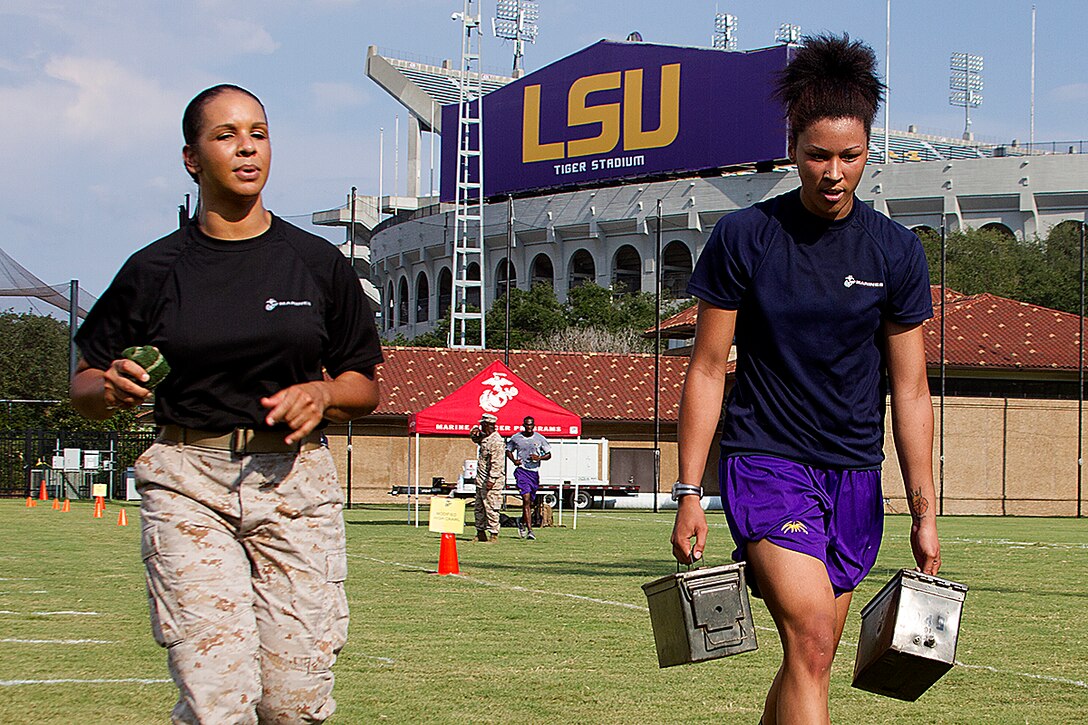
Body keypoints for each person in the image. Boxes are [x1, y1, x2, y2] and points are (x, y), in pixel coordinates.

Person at [70, 84, 383, 724]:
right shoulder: (154, 269)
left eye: (258, 133)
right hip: (189, 480)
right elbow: (85, 380)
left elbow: (364, 384)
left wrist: (323, 393)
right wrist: (106, 389)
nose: (246, 148)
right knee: (218, 697)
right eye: (226, 135)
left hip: (296, 485)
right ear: (192, 158)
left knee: (296, 703)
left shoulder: (317, 263)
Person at [669, 34, 941, 725]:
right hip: (766, 464)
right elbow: (706, 369)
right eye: (817, 154)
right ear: (793, 148)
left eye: (849, 155)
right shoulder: (744, 237)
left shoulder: (897, 251)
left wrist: (925, 507)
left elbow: (910, 389)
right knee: (814, 635)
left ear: (869, 151)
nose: (832, 172)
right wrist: (688, 490)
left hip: (853, 477)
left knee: (808, 657)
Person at [506, 415, 551, 540]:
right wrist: (514, 460)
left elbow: (548, 454)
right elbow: (508, 450)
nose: (529, 427)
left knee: (530, 502)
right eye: (527, 425)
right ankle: (530, 531)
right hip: (522, 472)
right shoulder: (516, 438)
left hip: (534, 473)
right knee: (525, 499)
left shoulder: (540, 438)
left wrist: (539, 458)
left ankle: (521, 521)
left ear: (534, 426)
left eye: (531, 425)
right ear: (523, 425)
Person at [471, 413, 505, 542]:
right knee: (479, 507)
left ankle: (493, 534)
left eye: (481, 425)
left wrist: (492, 479)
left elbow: (497, 463)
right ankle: (480, 532)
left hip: (492, 481)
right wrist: (473, 432)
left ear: (487, 425)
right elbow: (475, 439)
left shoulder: (495, 441)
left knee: (491, 507)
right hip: (481, 479)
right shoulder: (485, 438)